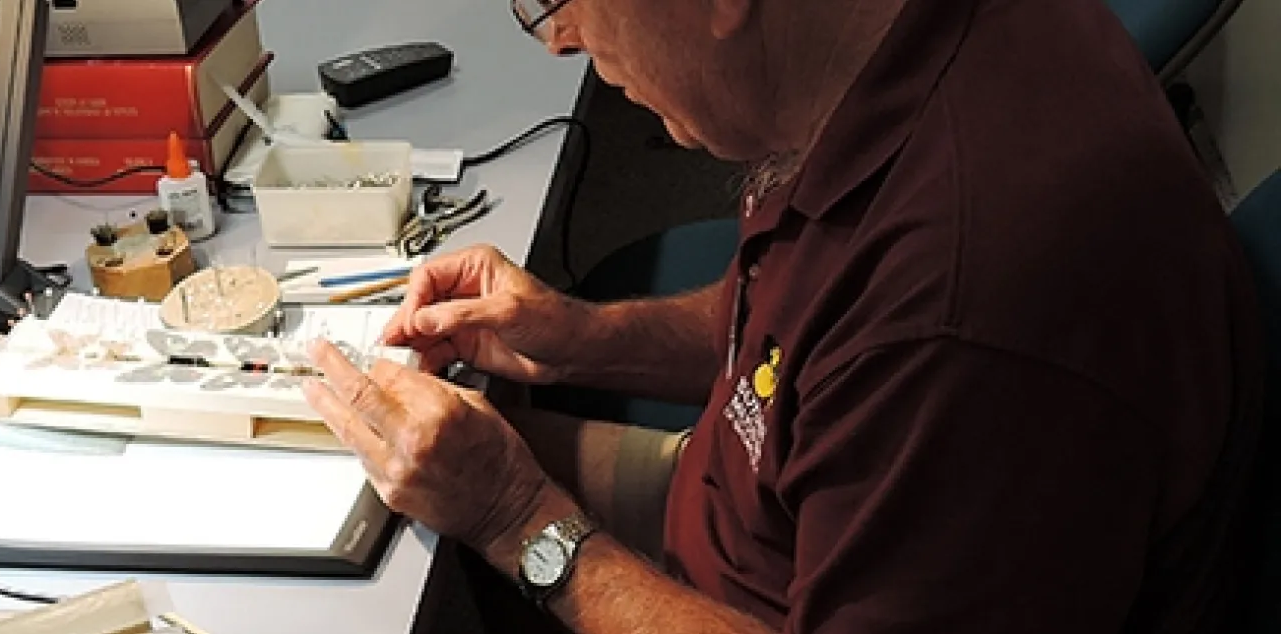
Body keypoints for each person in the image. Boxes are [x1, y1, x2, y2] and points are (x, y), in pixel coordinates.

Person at [301, 0, 1264, 632]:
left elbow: (889, 337)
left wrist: (522, 522)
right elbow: (811, 341)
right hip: (742, 513)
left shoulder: (969, 306)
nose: (558, 38)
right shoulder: (873, 64)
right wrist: (586, 338)